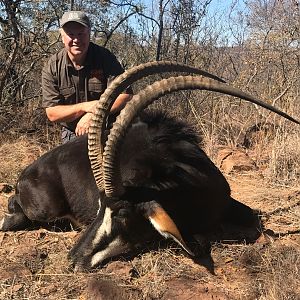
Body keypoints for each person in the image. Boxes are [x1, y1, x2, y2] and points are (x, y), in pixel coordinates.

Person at [42, 11, 132, 143]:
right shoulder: (52, 66)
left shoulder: (105, 58)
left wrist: (94, 114)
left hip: (108, 129)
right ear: (62, 37)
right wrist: (84, 107)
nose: (76, 40)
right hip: (73, 133)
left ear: (89, 33)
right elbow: (52, 113)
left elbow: (125, 96)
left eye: (81, 34)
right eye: (71, 34)